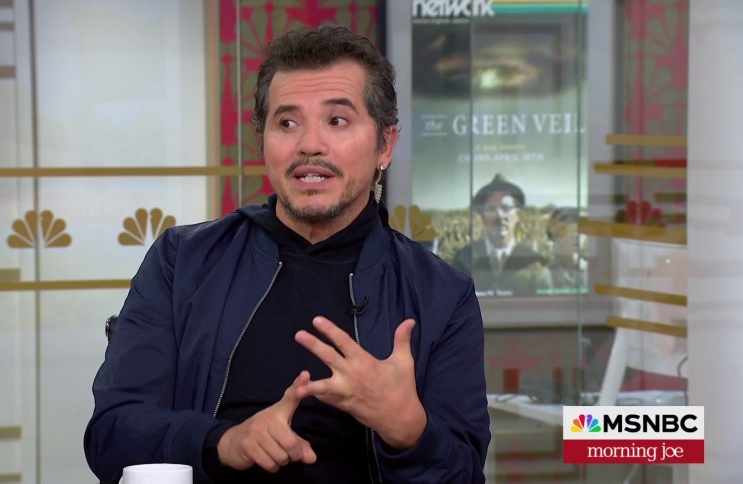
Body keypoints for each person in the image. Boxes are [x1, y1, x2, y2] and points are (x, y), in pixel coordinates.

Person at [84, 25, 490, 483]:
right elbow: (112, 435)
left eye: (337, 121)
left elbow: (463, 473)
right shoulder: (183, 262)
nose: (309, 144)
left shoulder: (442, 295)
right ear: (263, 140)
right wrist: (223, 443)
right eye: (287, 123)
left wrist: (409, 430)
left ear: (386, 144)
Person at [453, 174, 552, 296]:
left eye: (506, 208)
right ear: (483, 217)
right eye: (491, 209)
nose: (500, 215)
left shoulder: (535, 265)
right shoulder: (464, 260)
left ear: (518, 215)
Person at [545, 207, 588, 293]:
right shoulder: (546, 274)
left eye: (580, 230)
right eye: (571, 231)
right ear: (556, 236)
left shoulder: (591, 271)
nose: (577, 236)